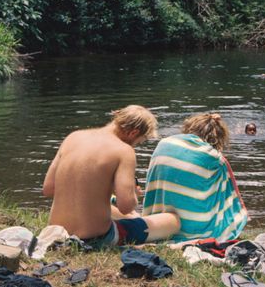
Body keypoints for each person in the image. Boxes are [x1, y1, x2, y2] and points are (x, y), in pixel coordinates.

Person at [42, 105, 180, 249]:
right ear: (133, 133)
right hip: (95, 239)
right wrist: (133, 193)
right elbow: (126, 206)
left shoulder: (73, 137)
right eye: (139, 142)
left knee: (125, 214)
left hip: (57, 233)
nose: (136, 145)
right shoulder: (124, 151)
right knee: (172, 221)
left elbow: (49, 189)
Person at [143, 112, 248, 241]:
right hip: (193, 230)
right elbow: (227, 193)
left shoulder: (164, 143)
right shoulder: (214, 158)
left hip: (156, 223)